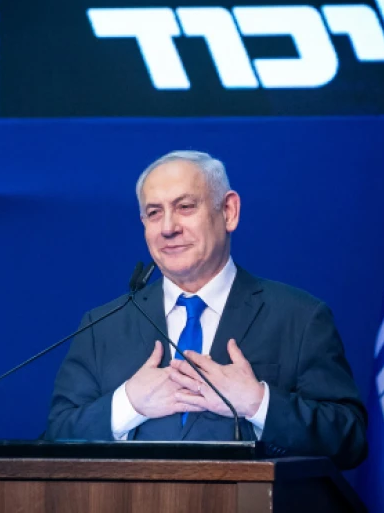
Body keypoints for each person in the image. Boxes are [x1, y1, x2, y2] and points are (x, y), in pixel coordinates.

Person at [45, 151, 367, 469]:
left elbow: (349, 442)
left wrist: (259, 403)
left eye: (185, 207)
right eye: (154, 213)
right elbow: (53, 440)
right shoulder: (103, 326)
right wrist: (127, 404)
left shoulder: (300, 317)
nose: (168, 228)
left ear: (229, 211)